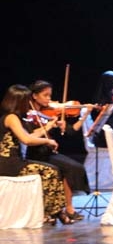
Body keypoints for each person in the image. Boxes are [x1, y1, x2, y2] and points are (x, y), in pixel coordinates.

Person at [1, 84, 70, 225]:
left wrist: (48, 127)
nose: (29, 104)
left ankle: (53, 212)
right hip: (9, 164)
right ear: (19, 101)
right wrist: (47, 140)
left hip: (14, 162)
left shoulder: (13, 117)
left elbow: (31, 134)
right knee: (50, 171)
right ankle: (53, 212)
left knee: (52, 170)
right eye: (26, 100)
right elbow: (26, 140)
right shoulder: (11, 117)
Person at [25, 80, 89, 221]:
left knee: (74, 167)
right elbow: (30, 136)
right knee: (67, 167)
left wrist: (84, 116)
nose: (49, 99)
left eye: (50, 96)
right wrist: (49, 125)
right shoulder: (29, 115)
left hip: (49, 153)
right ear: (34, 96)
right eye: (45, 95)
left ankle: (68, 207)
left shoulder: (47, 114)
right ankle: (62, 209)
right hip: (36, 154)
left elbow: (71, 131)